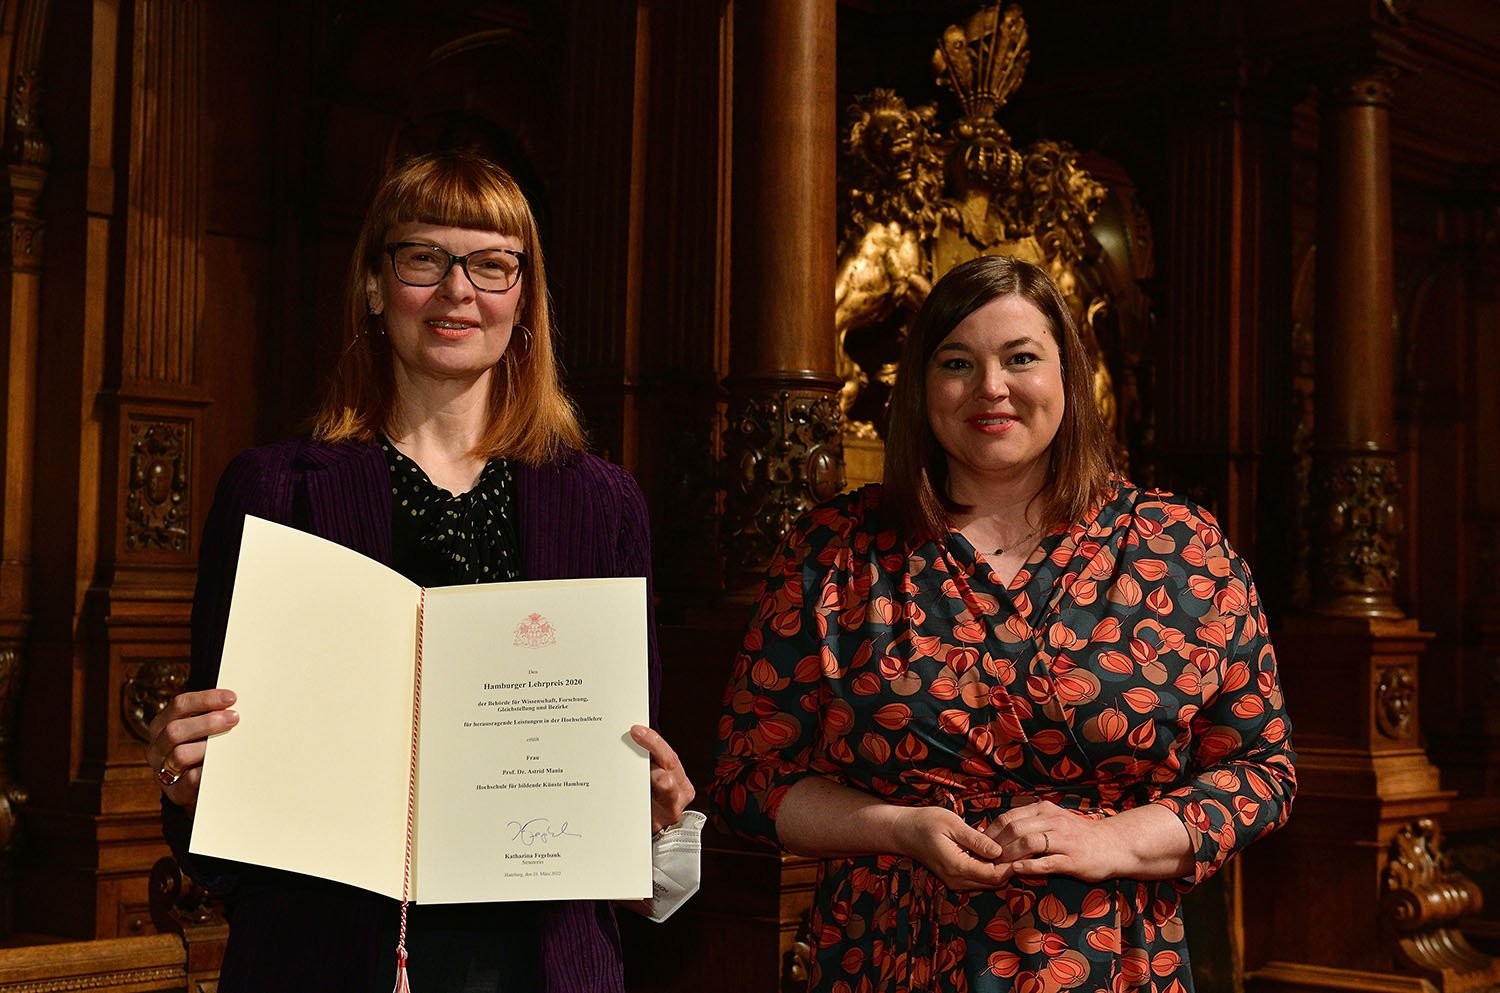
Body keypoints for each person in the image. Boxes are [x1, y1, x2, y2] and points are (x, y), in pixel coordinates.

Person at [145, 149, 694, 993]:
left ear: (525, 299)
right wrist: (191, 782)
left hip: (539, 961)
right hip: (320, 955)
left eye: (492, 264)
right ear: (375, 285)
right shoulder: (277, 491)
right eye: (423, 258)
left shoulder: (602, 504)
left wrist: (651, 810)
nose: (458, 290)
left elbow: (624, 776)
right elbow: (223, 817)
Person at [709, 255, 1295, 993]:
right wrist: (897, 827)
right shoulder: (836, 549)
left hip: (1111, 962)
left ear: (1067, 377)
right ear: (920, 388)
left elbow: (1259, 773)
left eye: (1020, 358)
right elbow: (745, 777)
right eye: (958, 362)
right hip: (887, 958)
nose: (991, 387)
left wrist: (1109, 838)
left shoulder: (1179, 548)